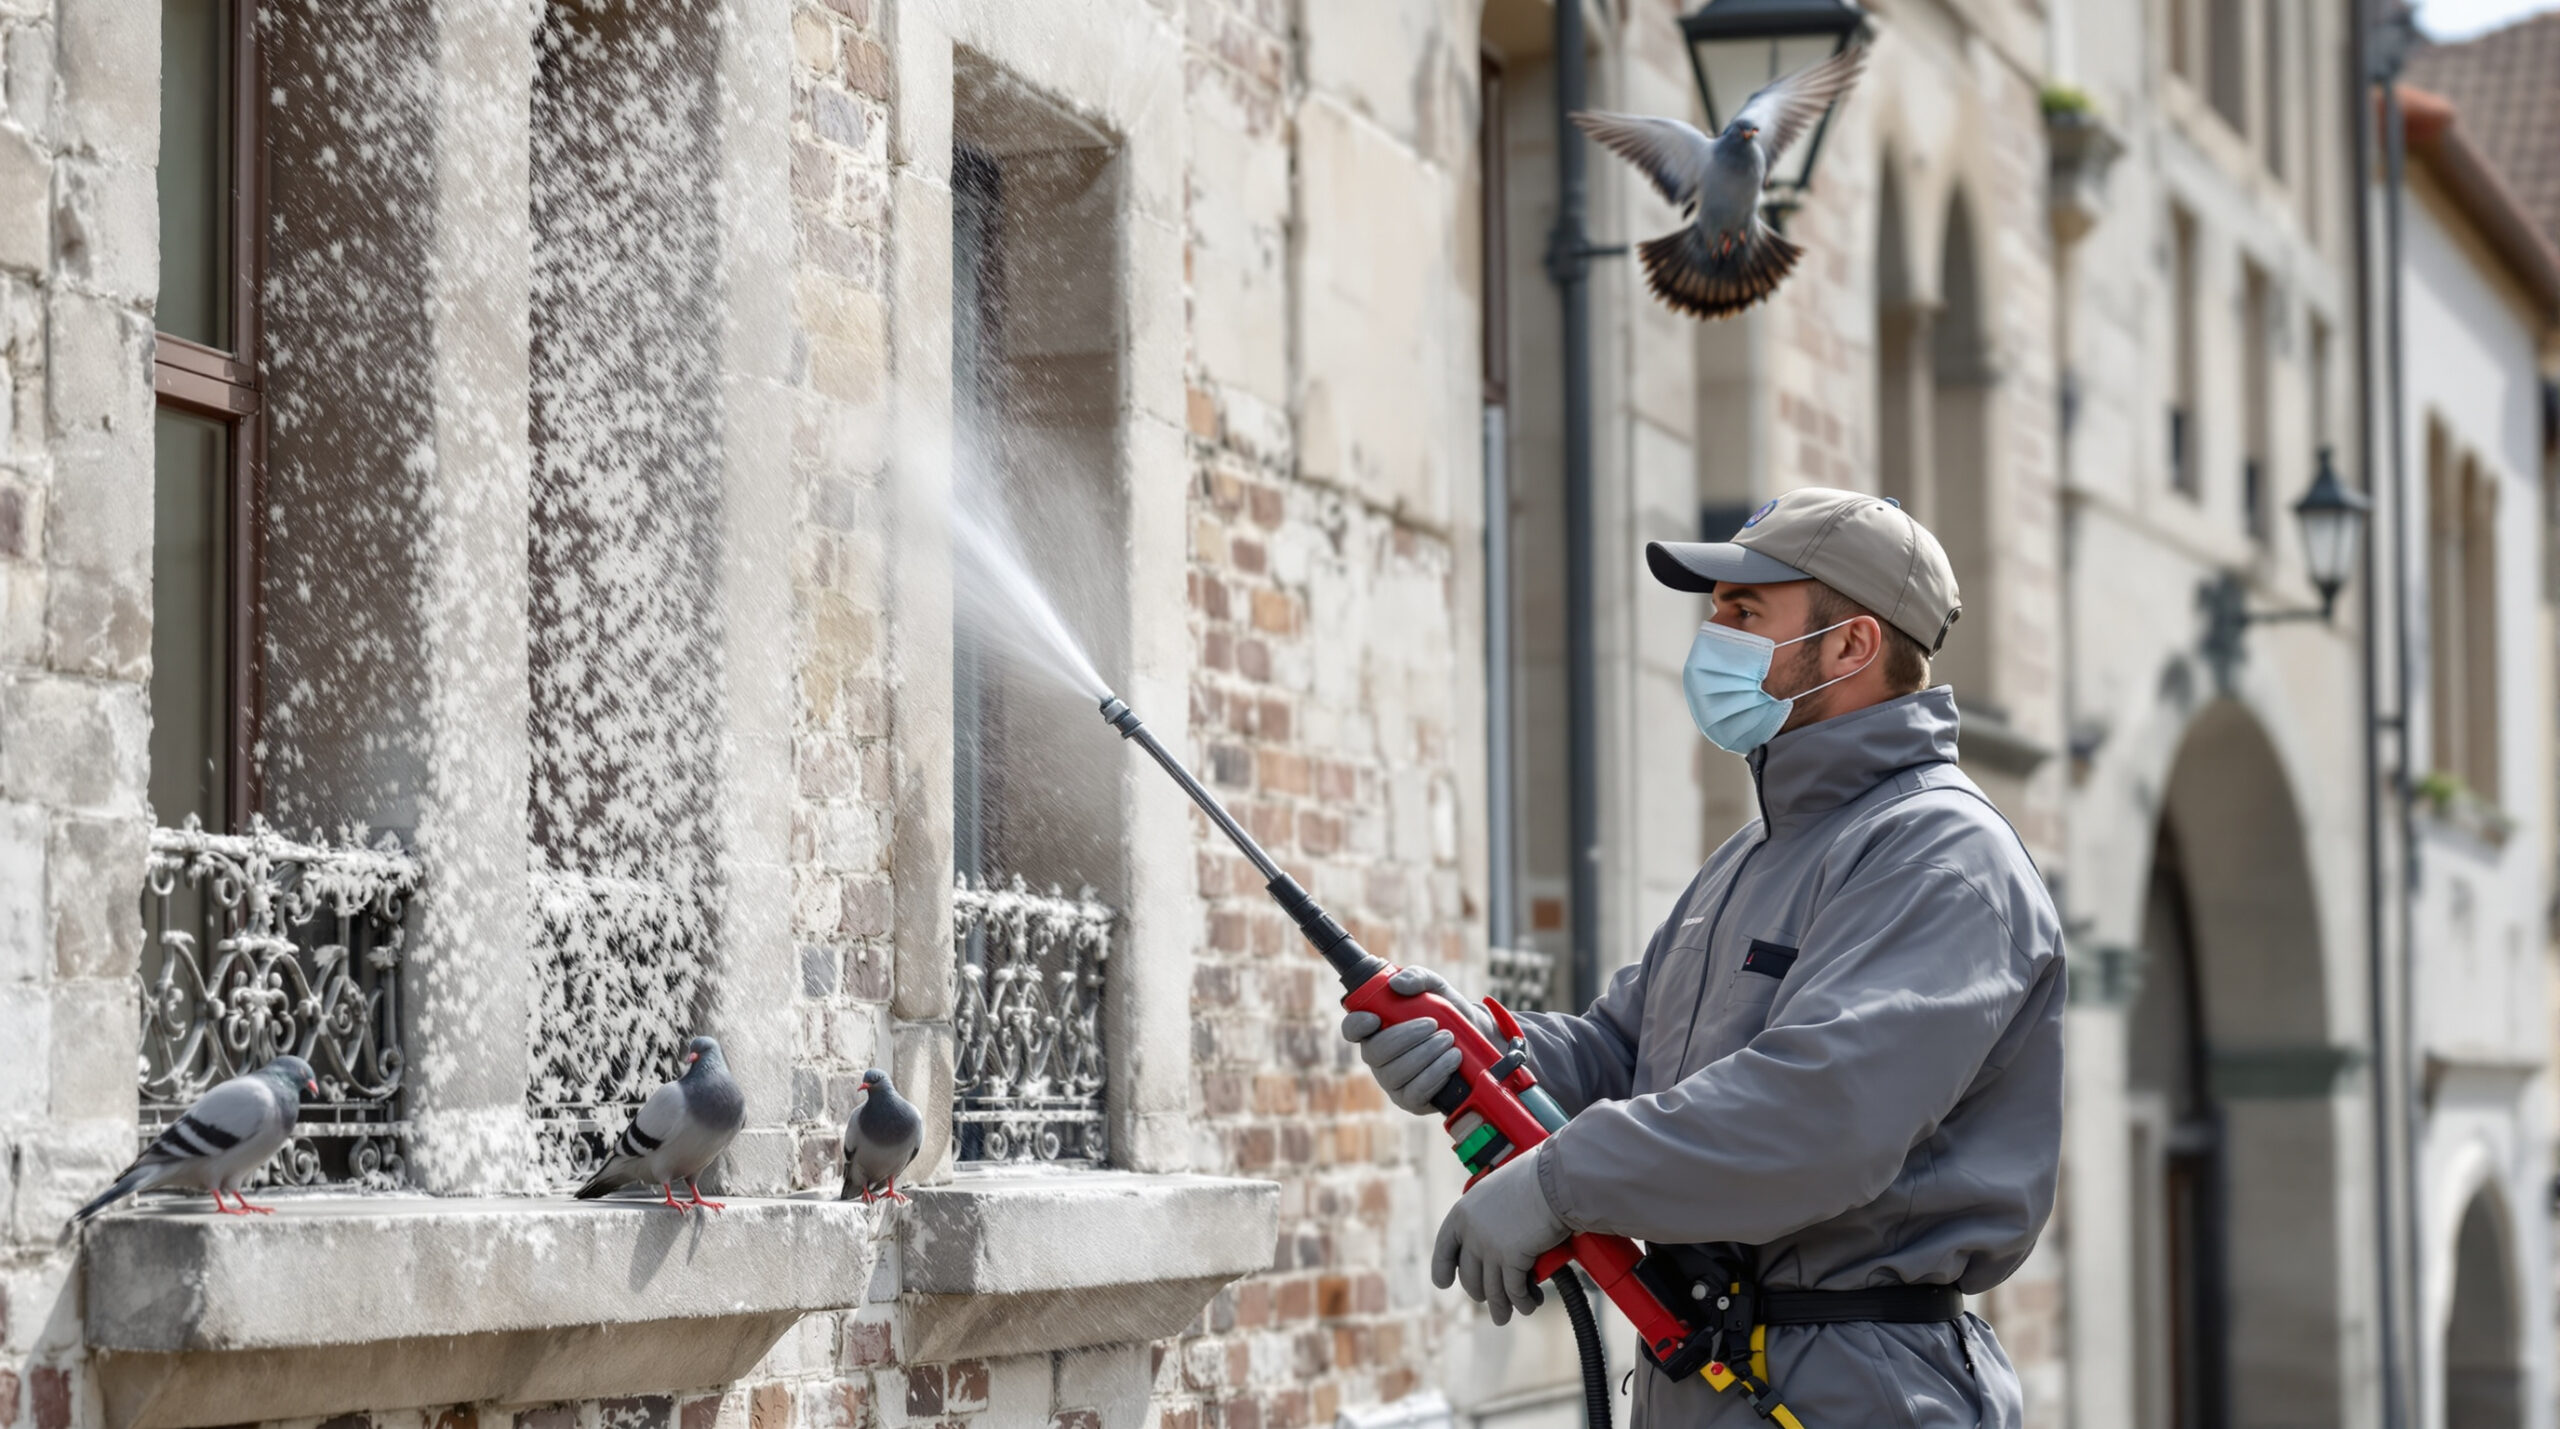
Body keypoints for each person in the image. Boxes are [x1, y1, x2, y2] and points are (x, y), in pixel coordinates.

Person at [1345, 489, 2063, 1428]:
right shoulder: (1755, 855)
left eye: (1744, 612)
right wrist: (1478, 1044)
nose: (1712, 634)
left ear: (1851, 645)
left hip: (1856, 1387)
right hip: (1713, 1371)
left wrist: (1557, 1184)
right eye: (1717, 609)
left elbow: (1818, 1117)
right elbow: (1622, 1052)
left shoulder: (1942, 854)